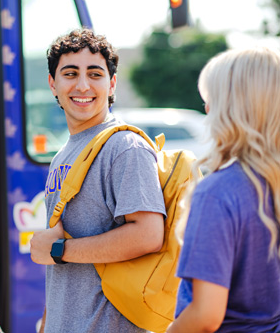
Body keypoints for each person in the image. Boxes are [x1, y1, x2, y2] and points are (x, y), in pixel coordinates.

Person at [30, 28, 166, 333]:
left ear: (112, 83)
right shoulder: (63, 154)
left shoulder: (124, 147)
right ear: (53, 83)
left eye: (95, 74)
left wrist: (59, 251)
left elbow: (148, 235)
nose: (82, 85)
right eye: (70, 73)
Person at [167, 47, 280, 333]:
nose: (206, 110)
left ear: (232, 108)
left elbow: (205, 316)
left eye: (212, 99)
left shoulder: (216, 193)